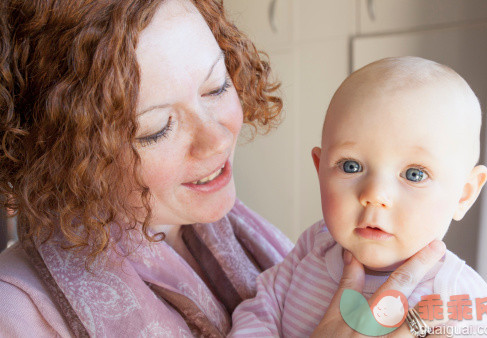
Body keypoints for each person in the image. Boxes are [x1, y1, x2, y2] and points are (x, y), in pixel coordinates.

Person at [0, 0, 452, 336]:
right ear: (64, 152)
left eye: (216, 87)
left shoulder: (230, 230)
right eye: (156, 129)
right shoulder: (17, 311)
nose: (217, 139)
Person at [230, 57, 487, 337]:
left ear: (464, 194)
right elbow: (259, 311)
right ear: (320, 170)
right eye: (351, 166)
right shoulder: (313, 246)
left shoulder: (459, 302)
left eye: (414, 174)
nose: (374, 195)